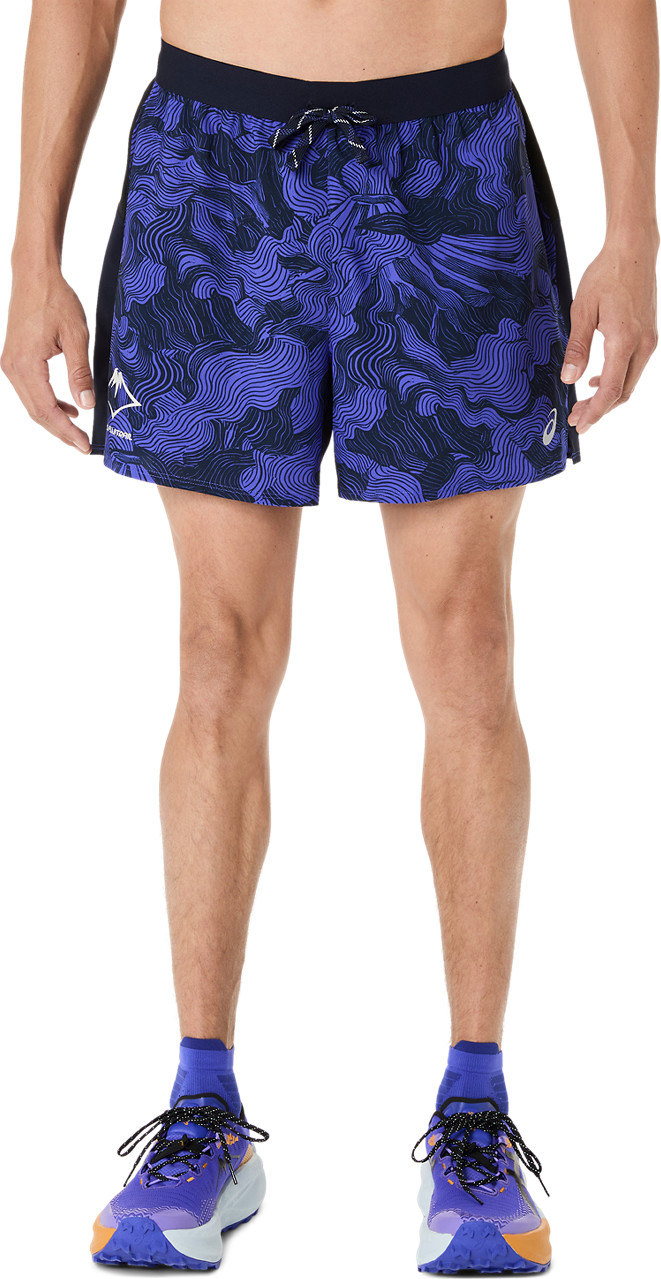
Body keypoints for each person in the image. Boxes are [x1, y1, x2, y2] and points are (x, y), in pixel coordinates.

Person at [3, 0, 658, 1273]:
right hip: (212, 166)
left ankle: (474, 1111)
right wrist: (33, 252)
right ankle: (203, 1107)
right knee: (216, 647)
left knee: (468, 641)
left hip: (449, 160)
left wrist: (633, 229)